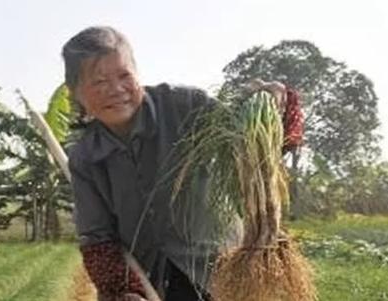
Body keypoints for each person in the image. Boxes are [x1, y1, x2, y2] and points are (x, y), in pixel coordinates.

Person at [63, 26, 303, 301]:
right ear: (77, 93)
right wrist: (121, 291)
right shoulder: (85, 157)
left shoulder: (185, 106)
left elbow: (250, 143)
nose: (116, 89)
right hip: (152, 283)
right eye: (99, 82)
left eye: (124, 75)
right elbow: (98, 238)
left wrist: (273, 109)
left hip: (219, 273)